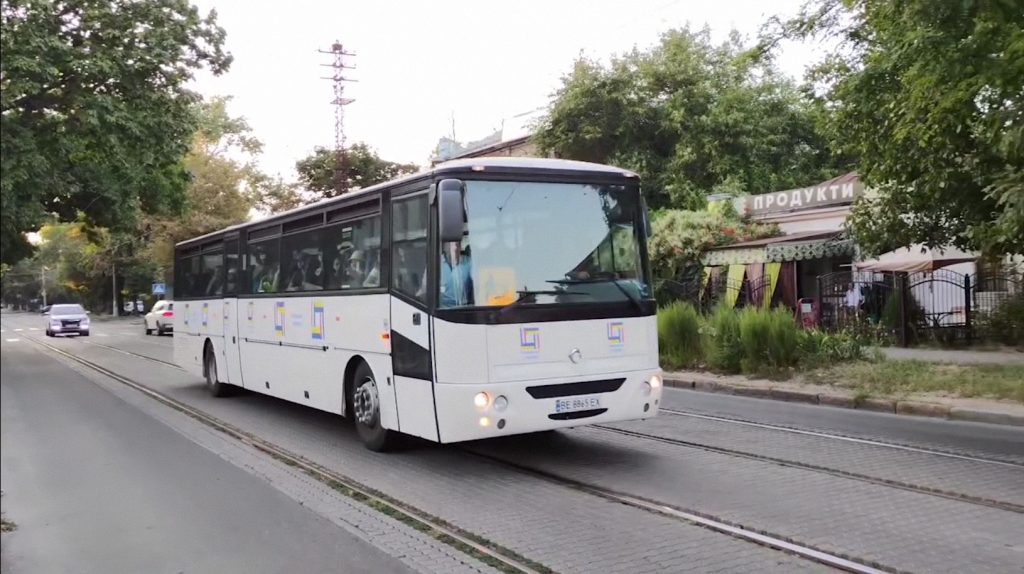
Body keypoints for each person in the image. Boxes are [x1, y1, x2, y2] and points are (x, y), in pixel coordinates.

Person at [439, 241, 473, 307]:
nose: (455, 248)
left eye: (457, 244)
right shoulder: (435, 263)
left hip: (462, 309)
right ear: (444, 247)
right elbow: (424, 289)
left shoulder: (469, 262)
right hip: (440, 311)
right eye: (451, 245)